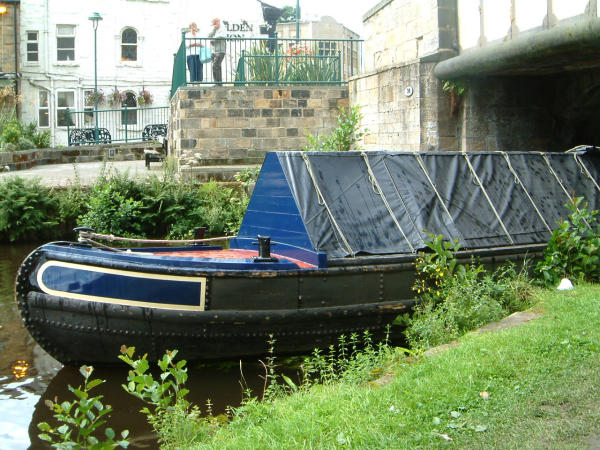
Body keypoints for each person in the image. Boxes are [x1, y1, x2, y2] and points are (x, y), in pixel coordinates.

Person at [208, 18, 226, 83]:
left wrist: (213, 40)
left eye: (214, 23)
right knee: (217, 66)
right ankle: (219, 83)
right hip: (214, 51)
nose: (213, 25)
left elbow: (221, 36)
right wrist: (214, 29)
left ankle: (217, 83)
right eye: (213, 24)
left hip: (220, 50)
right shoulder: (215, 29)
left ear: (218, 22)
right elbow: (209, 35)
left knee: (215, 66)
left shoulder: (222, 27)